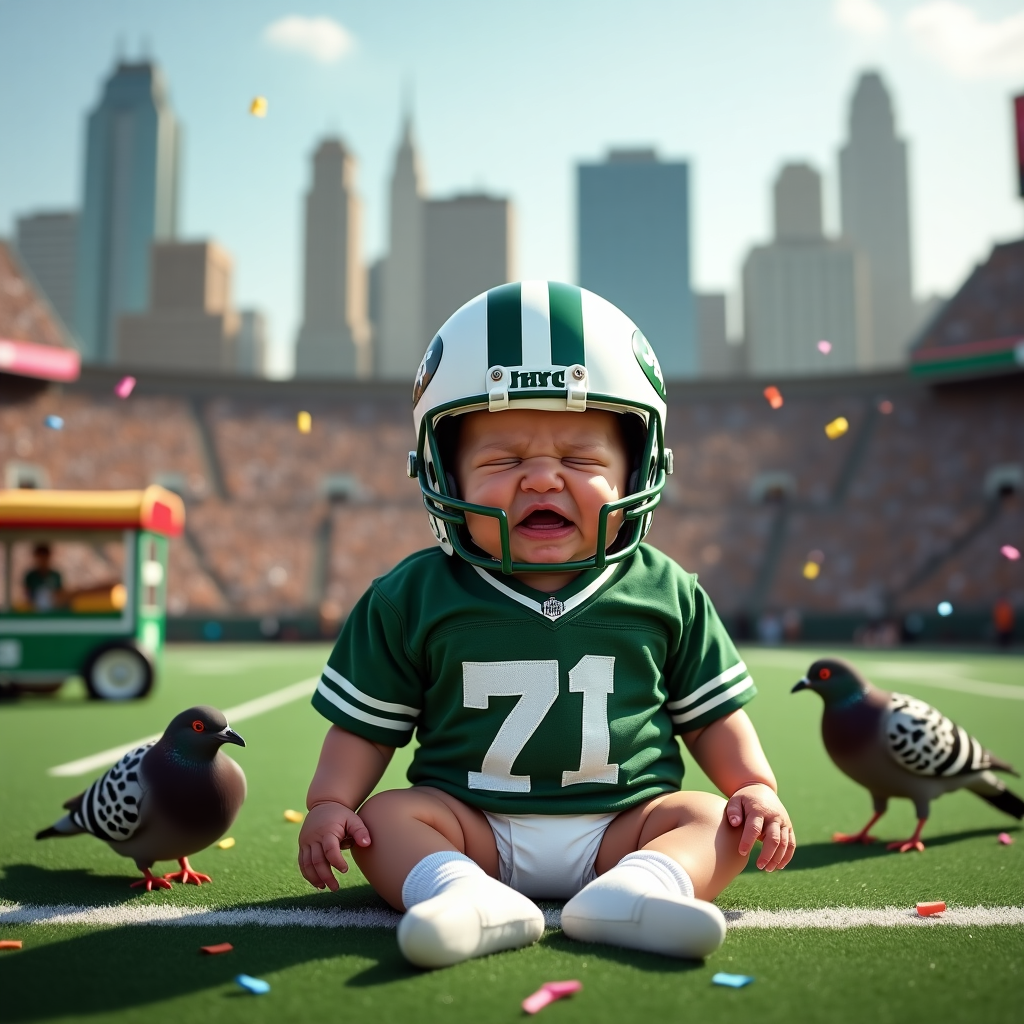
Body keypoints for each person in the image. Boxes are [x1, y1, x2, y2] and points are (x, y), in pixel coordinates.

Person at [298, 283, 795, 968]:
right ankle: (461, 894)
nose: (540, 479)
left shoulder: (666, 589)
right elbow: (365, 728)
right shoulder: (413, 594)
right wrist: (330, 802)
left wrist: (754, 788)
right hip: (469, 825)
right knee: (384, 819)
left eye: (582, 461)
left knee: (713, 818)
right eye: (502, 461)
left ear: (637, 471)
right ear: (444, 472)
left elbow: (712, 720)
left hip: (626, 824)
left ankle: (639, 889)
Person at [23, 543, 65, 611]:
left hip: (54, 611)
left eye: (44, 557)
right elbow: (27, 595)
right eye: (40, 558)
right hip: (34, 611)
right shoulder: (30, 576)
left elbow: (60, 594)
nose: (42, 561)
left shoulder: (56, 575)